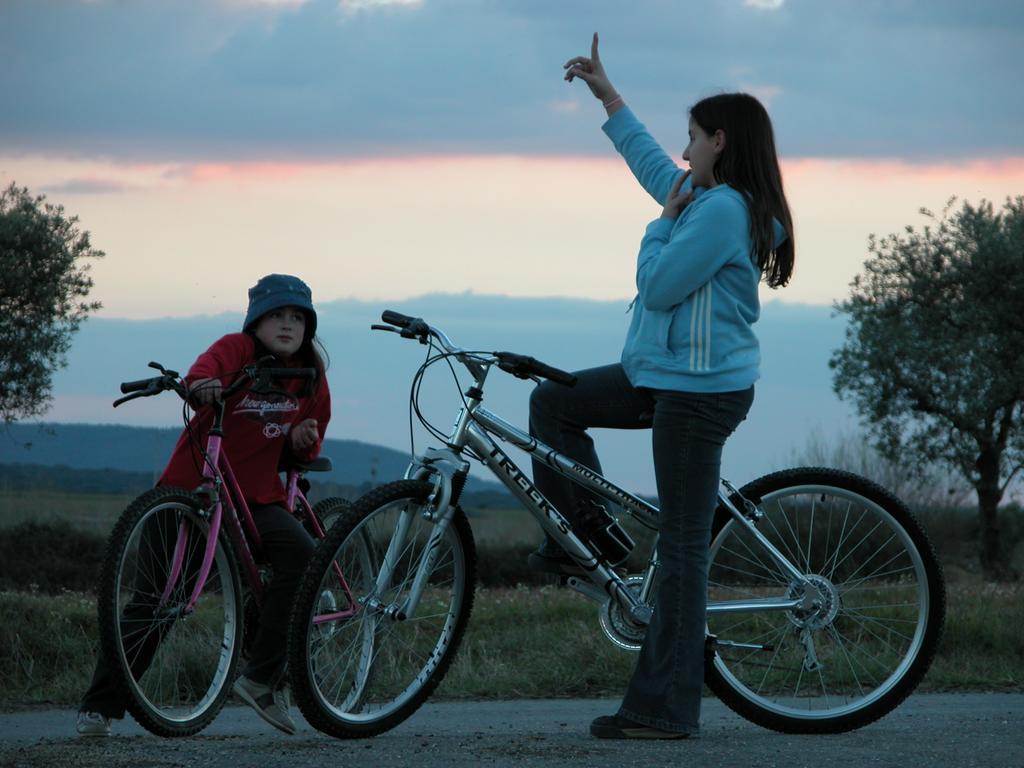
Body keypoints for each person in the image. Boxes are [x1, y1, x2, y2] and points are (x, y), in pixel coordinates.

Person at [527, 34, 794, 739]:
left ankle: (664, 709)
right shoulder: (706, 199)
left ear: (719, 140)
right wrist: (608, 96)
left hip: (697, 394)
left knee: (680, 551)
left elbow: (660, 286)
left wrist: (657, 228)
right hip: (665, 378)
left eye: (691, 139)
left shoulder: (723, 211)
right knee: (553, 402)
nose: (681, 153)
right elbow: (652, 166)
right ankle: (585, 539)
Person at [76, 273, 332, 737]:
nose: (288, 324)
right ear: (256, 321)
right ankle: (100, 708)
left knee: (302, 558)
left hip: (257, 499)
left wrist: (301, 440)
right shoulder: (237, 349)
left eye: (298, 317)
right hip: (189, 490)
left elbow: (306, 444)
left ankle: (260, 678)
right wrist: (203, 385)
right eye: (277, 314)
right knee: (156, 601)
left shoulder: (308, 373)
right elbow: (203, 370)